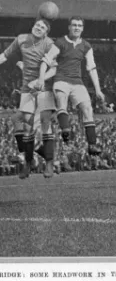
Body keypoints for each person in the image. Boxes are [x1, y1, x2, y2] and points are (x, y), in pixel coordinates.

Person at [38, 16, 105, 156]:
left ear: (82, 28)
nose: (76, 28)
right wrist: (41, 79)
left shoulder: (86, 46)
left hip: (77, 82)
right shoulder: (60, 43)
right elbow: (46, 60)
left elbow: (91, 68)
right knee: (62, 101)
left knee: (87, 108)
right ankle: (65, 129)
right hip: (61, 80)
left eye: (79, 26)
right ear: (69, 27)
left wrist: (98, 89)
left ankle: (92, 145)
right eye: (74, 25)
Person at [0, 19, 57, 179]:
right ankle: (28, 158)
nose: (39, 28)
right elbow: (4, 56)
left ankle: (49, 163)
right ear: (33, 26)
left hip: (43, 88)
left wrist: (41, 80)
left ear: (46, 32)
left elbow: (53, 69)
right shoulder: (21, 39)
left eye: (42, 27)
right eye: (37, 25)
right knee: (20, 121)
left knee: (45, 124)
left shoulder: (48, 43)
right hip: (27, 89)